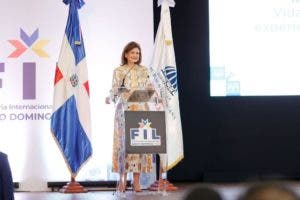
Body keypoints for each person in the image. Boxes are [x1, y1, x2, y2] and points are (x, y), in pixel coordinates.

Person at [106, 41, 162, 192]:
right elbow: (114, 90)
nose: (135, 56)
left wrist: (157, 97)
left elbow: (150, 88)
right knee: (124, 146)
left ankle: (136, 182)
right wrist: (109, 98)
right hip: (124, 111)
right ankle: (122, 181)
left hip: (141, 110)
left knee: (139, 146)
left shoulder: (144, 70)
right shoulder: (119, 71)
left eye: (137, 53)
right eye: (132, 53)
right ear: (126, 54)